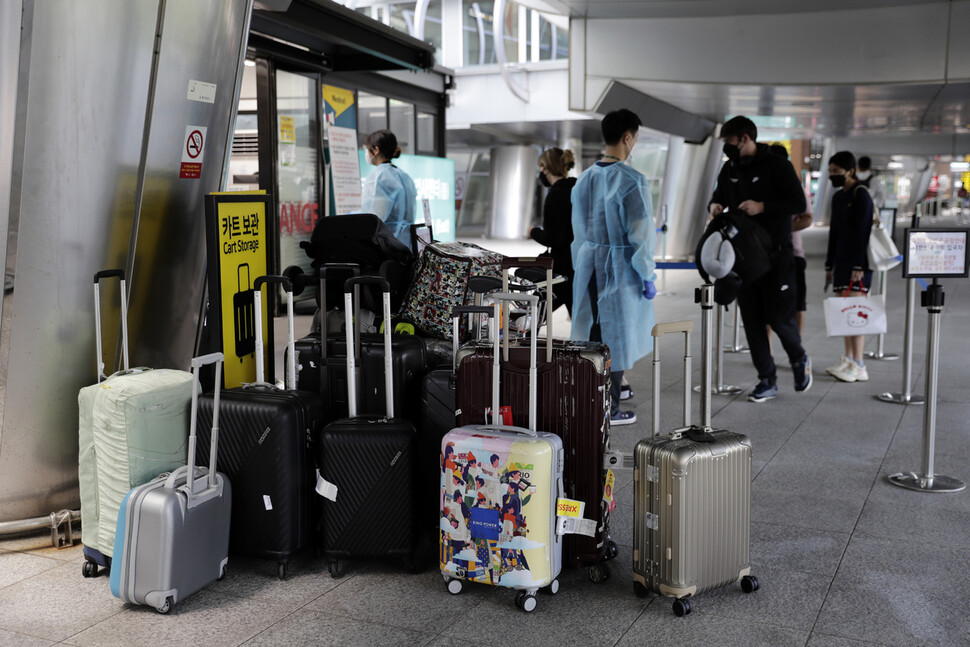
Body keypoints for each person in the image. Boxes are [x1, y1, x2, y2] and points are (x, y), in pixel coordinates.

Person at [708, 116, 812, 403]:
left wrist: (763, 206)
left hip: (777, 257)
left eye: (729, 142)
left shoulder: (777, 166)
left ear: (744, 138)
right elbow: (718, 197)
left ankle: (798, 357)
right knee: (752, 322)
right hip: (743, 259)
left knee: (779, 318)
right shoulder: (729, 169)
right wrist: (715, 205)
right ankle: (766, 380)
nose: (726, 149)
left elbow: (797, 204)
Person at [570, 108, 657, 425]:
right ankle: (612, 408)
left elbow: (578, 231)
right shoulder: (632, 180)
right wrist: (647, 274)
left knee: (592, 335)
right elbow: (641, 235)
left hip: (589, 265)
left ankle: (588, 401)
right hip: (620, 268)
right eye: (634, 137)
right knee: (616, 338)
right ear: (627, 136)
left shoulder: (584, 179)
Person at [824, 151, 874, 383]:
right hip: (842, 261)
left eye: (836, 171)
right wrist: (829, 263)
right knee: (843, 312)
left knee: (855, 313)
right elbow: (834, 232)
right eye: (831, 171)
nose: (833, 176)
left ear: (850, 171)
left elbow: (863, 231)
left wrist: (858, 264)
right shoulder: (838, 197)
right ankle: (848, 358)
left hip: (858, 263)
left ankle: (860, 364)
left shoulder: (861, 194)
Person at [769, 144, 813, 334]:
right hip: (766, 255)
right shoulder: (763, 189)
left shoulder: (795, 189)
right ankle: (768, 350)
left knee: (797, 304)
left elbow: (807, 218)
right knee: (767, 305)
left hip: (793, 254)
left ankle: (797, 350)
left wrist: (782, 229)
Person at [530, 148, 577, 316]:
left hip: (560, 270)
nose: (540, 173)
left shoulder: (555, 195)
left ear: (547, 168)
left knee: (531, 315)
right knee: (582, 324)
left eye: (541, 168)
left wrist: (534, 232)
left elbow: (554, 238)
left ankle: (525, 342)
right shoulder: (576, 188)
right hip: (578, 265)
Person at [360, 129, 417, 247]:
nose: (366, 152)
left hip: (388, 247)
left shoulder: (378, 177)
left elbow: (372, 220)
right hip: (407, 244)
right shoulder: (405, 176)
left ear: (376, 150)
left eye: (367, 148)